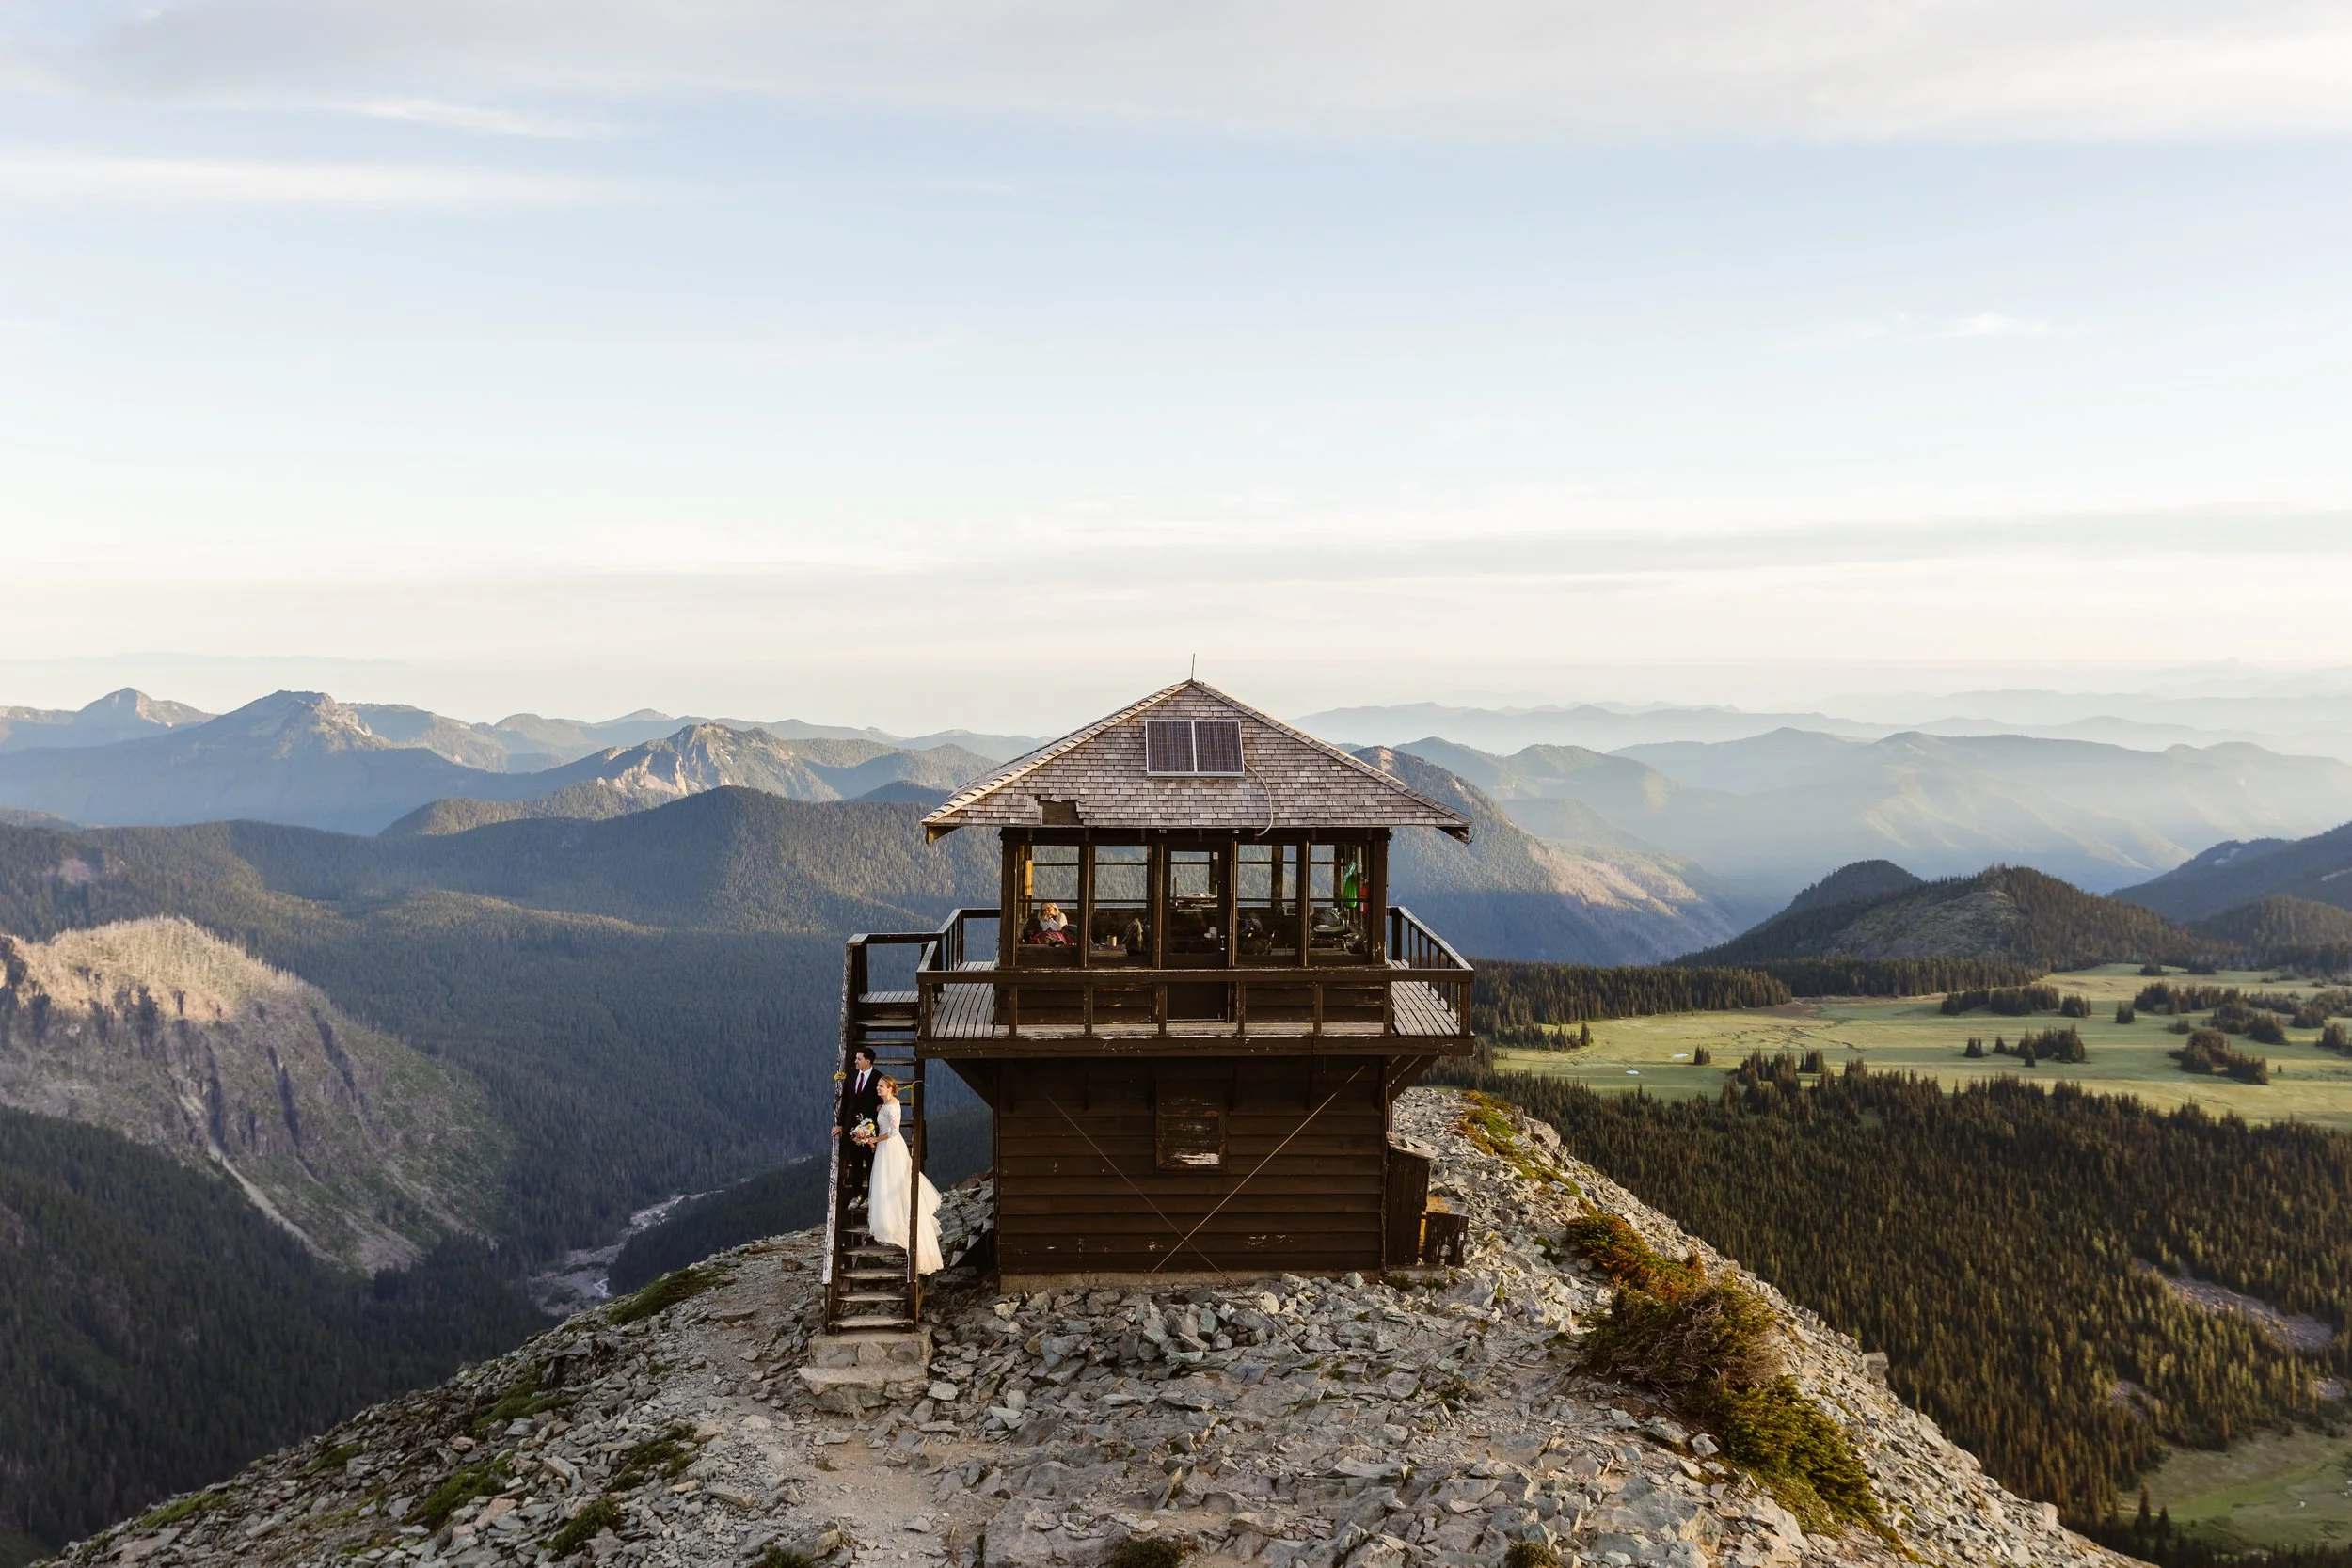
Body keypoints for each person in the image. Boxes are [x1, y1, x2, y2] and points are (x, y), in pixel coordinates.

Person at [863, 1075, 943, 1274]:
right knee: (884, 1182)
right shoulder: (884, 1105)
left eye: (881, 1087)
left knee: (893, 1182)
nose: (878, 1089)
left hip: (891, 1148)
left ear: (890, 1088)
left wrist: (873, 1138)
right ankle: (888, 1218)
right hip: (884, 1148)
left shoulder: (893, 1106)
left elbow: (893, 1133)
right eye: (878, 1086)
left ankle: (896, 1222)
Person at [837, 1047, 881, 1210]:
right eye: (856, 1058)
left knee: (870, 1161)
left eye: (859, 1059)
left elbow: (883, 1099)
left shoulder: (878, 1078)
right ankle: (857, 1194)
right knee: (855, 1161)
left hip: (871, 1127)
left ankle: (871, 1194)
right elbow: (846, 1101)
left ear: (868, 1061)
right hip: (852, 1127)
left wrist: (880, 1109)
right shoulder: (852, 1075)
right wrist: (841, 1124)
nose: (855, 1061)